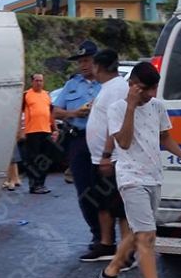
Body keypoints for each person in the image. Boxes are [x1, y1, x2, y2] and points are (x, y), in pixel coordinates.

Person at [95, 63, 181, 278]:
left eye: (154, 89)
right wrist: (130, 106)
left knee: (141, 232)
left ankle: (109, 273)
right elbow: (125, 142)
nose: (151, 94)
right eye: (146, 89)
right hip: (131, 178)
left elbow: (164, 137)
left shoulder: (158, 106)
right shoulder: (118, 108)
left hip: (154, 177)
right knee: (148, 237)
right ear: (133, 85)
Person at [81, 49, 132, 263]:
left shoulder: (117, 88)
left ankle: (126, 254)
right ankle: (106, 244)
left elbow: (116, 125)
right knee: (103, 204)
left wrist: (106, 155)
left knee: (119, 208)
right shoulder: (109, 88)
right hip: (100, 157)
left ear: (98, 67)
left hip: (112, 158)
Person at [53, 40, 101, 251]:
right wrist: (75, 113)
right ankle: (97, 234)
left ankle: (112, 236)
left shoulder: (107, 83)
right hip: (79, 141)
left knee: (107, 191)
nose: (83, 65)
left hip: (103, 141)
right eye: (80, 61)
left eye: (87, 60)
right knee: (84, 190)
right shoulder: (72, 84)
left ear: (96, 61)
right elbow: (55, 111)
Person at [22, 73, 57, 194]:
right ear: (32, 82)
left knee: (45, 159)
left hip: (46, 130)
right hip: (32, 131)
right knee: (33, 159)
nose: (39, 83)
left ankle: (41, 183)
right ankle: (34, 185)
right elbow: (18, 114)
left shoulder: (47, 95)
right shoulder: (26, 95)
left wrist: (55, 129)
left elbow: (51, 113)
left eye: (41, 80)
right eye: (36, 80)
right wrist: (20, 131)